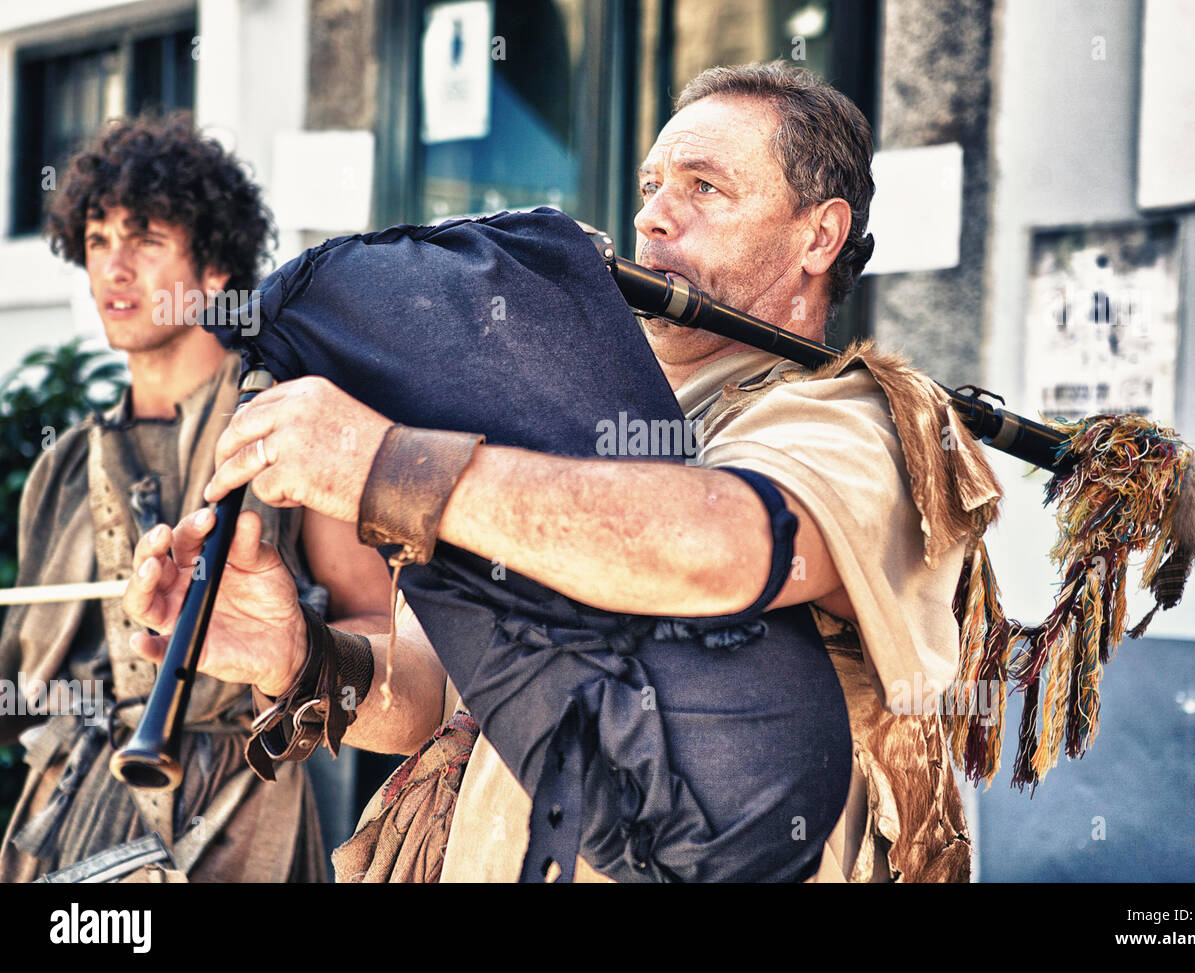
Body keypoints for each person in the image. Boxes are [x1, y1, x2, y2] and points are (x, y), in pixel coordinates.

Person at [122, 62, 1001, 882]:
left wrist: (384, 462)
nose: (655, 215)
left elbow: (712, 547)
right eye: (652, 185)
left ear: (821, 234)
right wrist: (297, 652)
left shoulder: (857, 420)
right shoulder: (584, 423)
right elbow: (423, 697)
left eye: (704, 187)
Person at [0, 114, 391, 883]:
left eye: (145, 239)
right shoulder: (64, 467)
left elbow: (381, 632)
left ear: (215, 267)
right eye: (99, 239)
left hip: (243, 811)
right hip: (71, 818)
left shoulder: (290, 428)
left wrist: (292, 659)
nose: (115, 267)